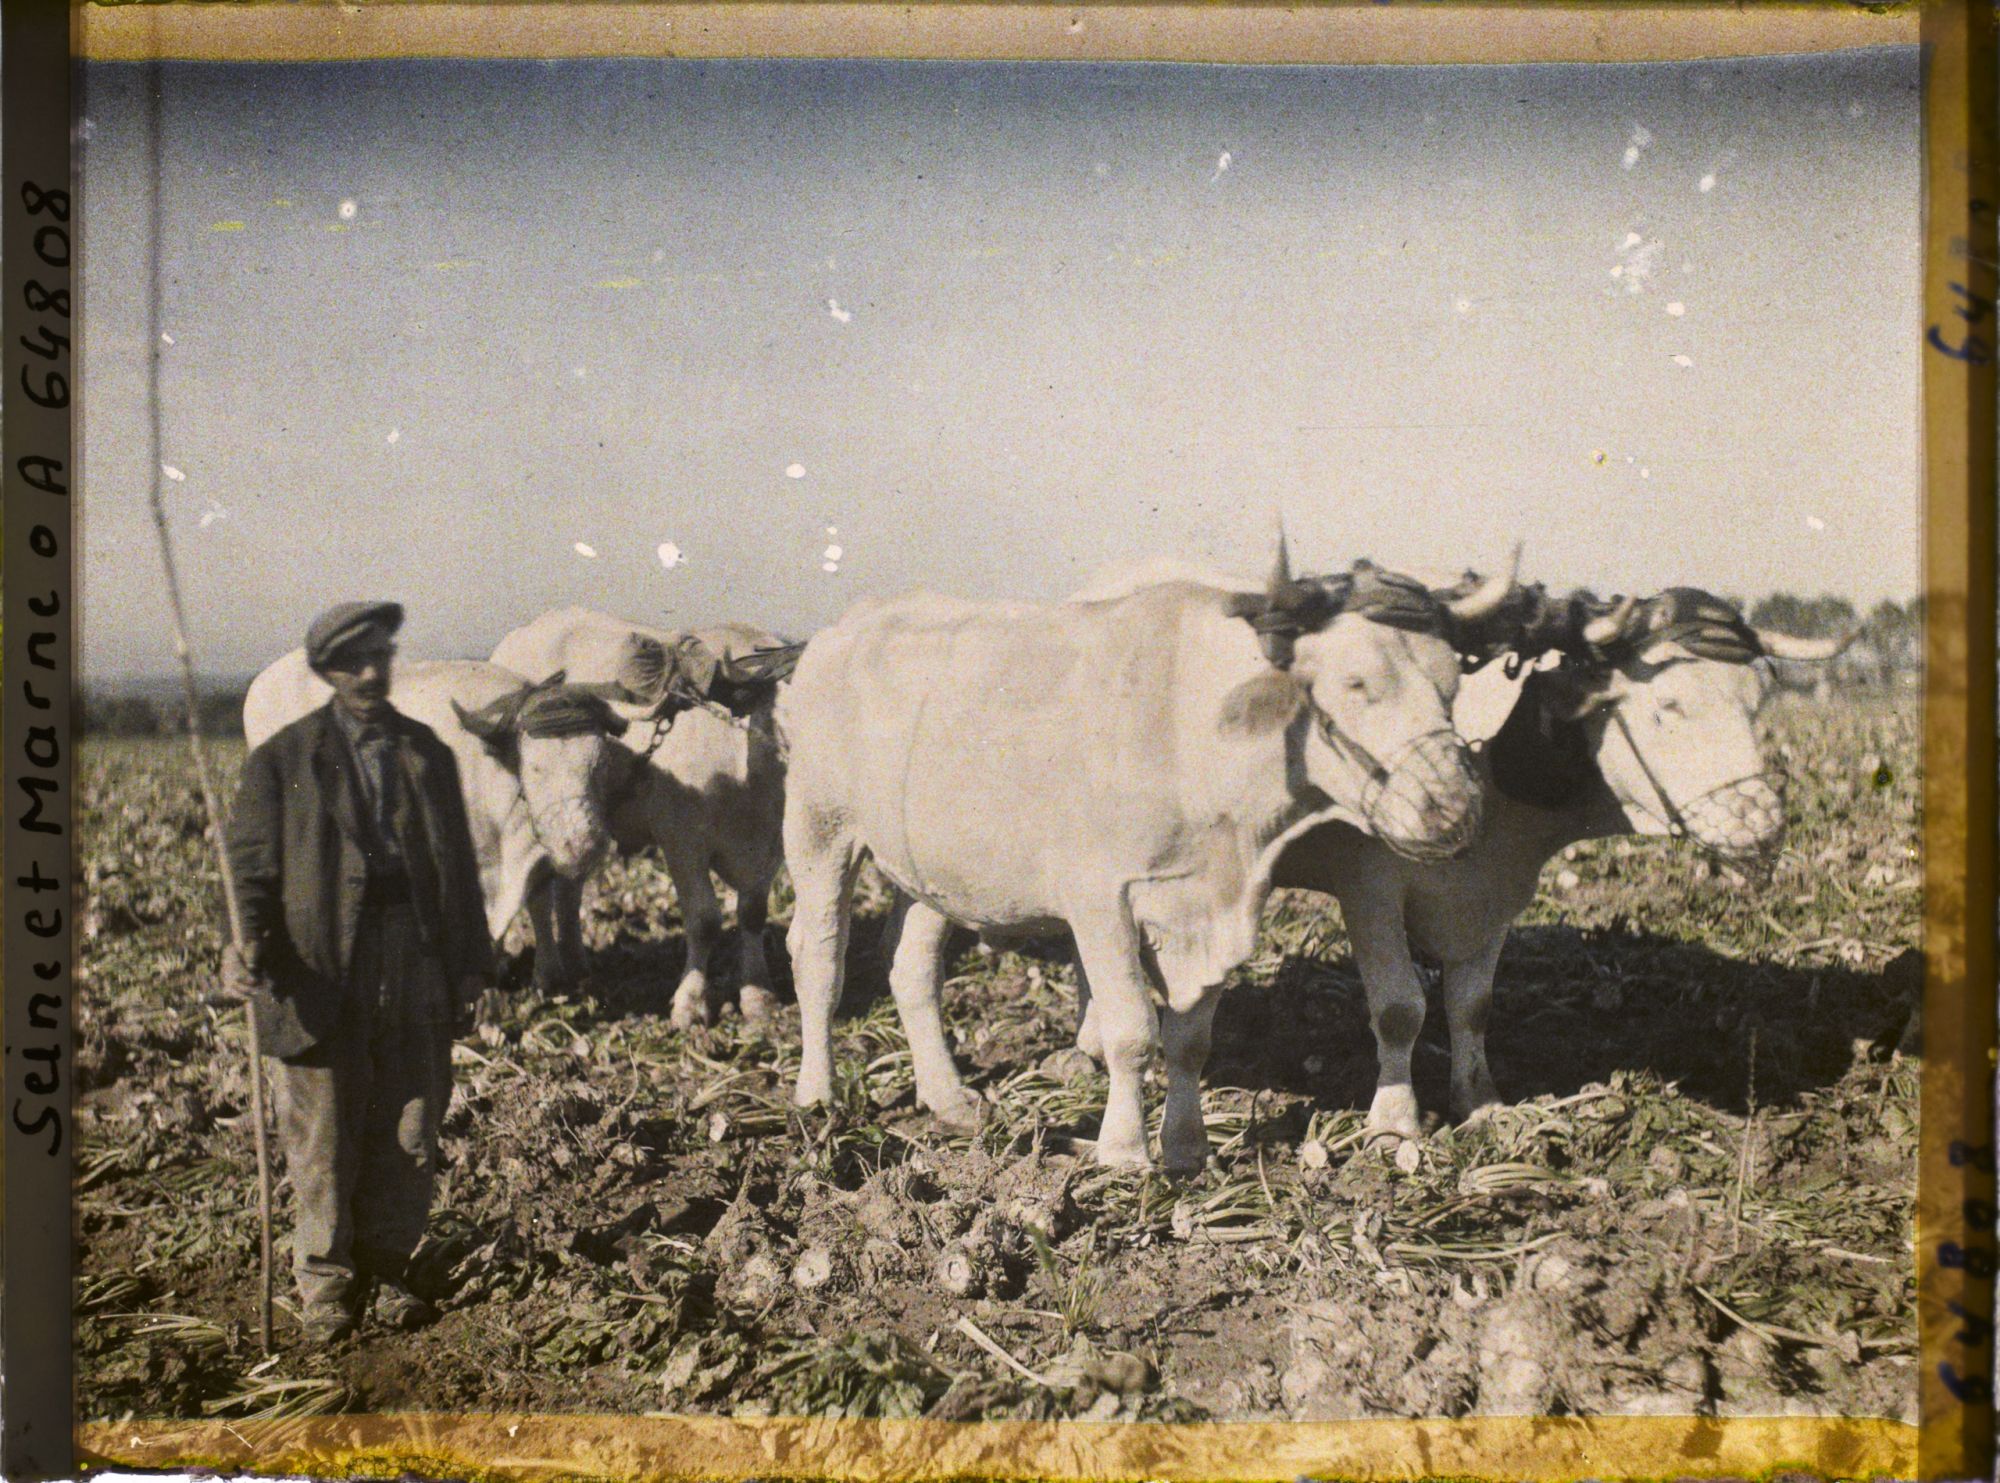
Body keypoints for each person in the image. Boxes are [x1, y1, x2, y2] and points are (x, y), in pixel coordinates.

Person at [223, 601, 493, 1342]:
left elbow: (460, 872)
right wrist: (243, 942)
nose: (372, 672)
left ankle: (390, 1263)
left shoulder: (426, 754)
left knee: (412, 1124)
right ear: (329, 672)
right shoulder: (283, 761)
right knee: (323, 1128)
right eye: (354, 661)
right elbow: (248, 870)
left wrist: (471, 964)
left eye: (381, 656)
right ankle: (327, 1284)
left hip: (414, 953)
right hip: (319, 961)